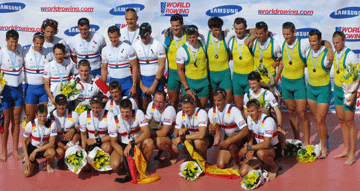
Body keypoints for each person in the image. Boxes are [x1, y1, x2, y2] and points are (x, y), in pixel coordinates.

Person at [273, 22, 311, 145]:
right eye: (284, 34)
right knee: (291, 111)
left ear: (294, 32)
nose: (286, 37)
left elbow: (322, 42)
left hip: (299, 83)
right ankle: (297, 140)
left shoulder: (303, 43)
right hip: (286, 83)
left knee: (302, 113)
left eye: (288, 34)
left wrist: (330, 49)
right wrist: (277, 62)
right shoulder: (280, 40)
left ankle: (307, 142)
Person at [306, 29, 334, 159]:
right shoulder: (307, 51)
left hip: (323, 89)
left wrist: (329, 48)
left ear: (320, 40)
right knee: (317, 119)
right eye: (310, 41)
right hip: (311, 89)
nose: (312, 44)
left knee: (320, 119)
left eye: (314, 41)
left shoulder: (327, 54)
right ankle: (324, 138)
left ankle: (323, 147)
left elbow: (328, 44)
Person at [332, 31, 358, 165]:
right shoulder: (336, 53)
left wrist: (353, 94)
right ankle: (346, 150)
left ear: (344, 41)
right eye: (334, 43)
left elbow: (357, 77)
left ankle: (352, 155)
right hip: (336, 90)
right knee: (342, 120)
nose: (335, 45)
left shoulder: (351, 55)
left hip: (347, 92)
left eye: (338, 42)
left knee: (349, 121)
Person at [239, 99, 281, 179]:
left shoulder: (268, 121)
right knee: (243, 173)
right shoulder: (249, 118)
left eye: (252, 111)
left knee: (261, 153)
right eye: (248, 111)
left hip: (273, 149)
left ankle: (274, 166)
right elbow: (250, 134)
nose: (250, 114)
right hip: (258, 148)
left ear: (259, 109)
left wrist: (248, 147)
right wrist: (250, 150)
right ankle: (266, 162)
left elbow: (266, 144)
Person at [208, 88, 249, 170]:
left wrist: (228, 141)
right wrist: (211, 131)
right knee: (220, 165)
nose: (216, 103)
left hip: (239, 135)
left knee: (231, 144)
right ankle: (238, 149)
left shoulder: (233, 110)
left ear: (225, 99)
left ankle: (236, 163)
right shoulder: (211, 111)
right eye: (215, 100)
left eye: (219, 100)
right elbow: (214, 130)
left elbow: (245, 130)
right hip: (228, 136)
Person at [0, 30, 25, 161]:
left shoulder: (20, 49)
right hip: (5, 91)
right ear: (6, 40)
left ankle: (15, 150)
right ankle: (4, 151)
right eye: (11, 42)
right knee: (5, 122)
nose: (14, 45)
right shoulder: (2, 53)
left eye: (16, 42)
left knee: (16, 122)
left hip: (18, 90)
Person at [108, 98, 153, 171]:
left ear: (131, 110)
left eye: (127, 112)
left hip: (137, 142)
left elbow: (147, 133)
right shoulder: (114, 121)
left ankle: (143, 167)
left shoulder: (138, 113)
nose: (125, 115)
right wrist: (124, 154)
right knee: (114, 165)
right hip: (123, 145)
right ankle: (129, 164)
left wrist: (131, 144)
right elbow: (113, 142)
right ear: (120, 110)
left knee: (149, 142)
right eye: (122, 112)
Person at [132, 23, 166, 111]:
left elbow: (162, 66)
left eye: (145, 34)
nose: (143, 37)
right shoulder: (135, 45)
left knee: (159, 106)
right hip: (142, 79)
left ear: (150, 33)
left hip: (156, 80)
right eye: (141, 35)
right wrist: (141, 85)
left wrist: (154, 85)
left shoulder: (158, 45)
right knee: (143, 108)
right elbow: (134, 68)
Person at [101, 25, 138, 99]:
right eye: (110, 38)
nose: (113, 40)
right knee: (113, 105)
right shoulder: (105, 50)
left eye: (115, 37)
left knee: (133, 102)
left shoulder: (128, 48)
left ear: (119, 35)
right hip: (113, 82)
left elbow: (134, 67)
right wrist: (103, 85)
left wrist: (134, 85)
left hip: (127, 81)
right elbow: (104, 69)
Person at [176, 25, 209, 109]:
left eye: (193, 37)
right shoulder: (182, 50)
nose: (191, 40)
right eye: (189, 37)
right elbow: (180, 70)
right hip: (190, 84)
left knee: (202, 109)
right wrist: (187, 88)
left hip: (203, 83)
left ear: (197, 35)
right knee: (189, 110)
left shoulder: (203, 43)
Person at [22, 105, 57, 176]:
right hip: (32, 148)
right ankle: (34, 162)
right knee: (26, 173)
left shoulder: (52, 124)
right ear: (36, 115)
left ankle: (48, 164)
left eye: (44, 116)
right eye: (40, 116)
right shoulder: (30, 124)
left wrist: (36, 151)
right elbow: (23, 141)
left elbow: (51, 143)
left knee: (52, 152)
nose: (42, 119)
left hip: (44, 148)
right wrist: (26, 158)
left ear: (47, 114)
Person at [228, 17, 254, 115]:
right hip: (237, 78)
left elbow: (265, 31)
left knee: (250, 107)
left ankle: (251, 129)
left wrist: (252, 36)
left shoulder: (251, 39)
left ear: (246, 28)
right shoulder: (230, 41)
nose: (238, 31)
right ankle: (241, 128)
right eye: (236, 29)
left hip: (249, 78)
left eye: (241, 29)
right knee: (238, 106)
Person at [172, 94, 210, 160]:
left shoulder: (201, 113)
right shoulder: (180, 114)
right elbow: (175, 133)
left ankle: (204, 159)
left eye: (188, 108)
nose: (185, 110)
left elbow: (201, 135)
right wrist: (177, 136)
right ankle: (191, 155)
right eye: (183, 107)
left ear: (193, 104)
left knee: (198, 143)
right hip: (190, 139)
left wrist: (182, 138)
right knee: (174, 147)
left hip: (204, 140)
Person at [24, 32, 51, 122]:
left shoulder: (47, 53)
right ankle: (29, 136)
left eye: (41, 43)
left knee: (44, 118)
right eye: (37, 43)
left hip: (44, 89)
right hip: (30, 89)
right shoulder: (26, 53)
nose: (39, 46)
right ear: (33, 41)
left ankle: (43, 136)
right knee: (30, 117)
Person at [145, 89, 177, 163]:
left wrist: (147, 133)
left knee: (158, 141)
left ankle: (174, 152)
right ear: (153, 99)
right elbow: (145, 123)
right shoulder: (151, 105)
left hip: (173, 135)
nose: (157, 104)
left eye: (160, 102)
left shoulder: (169, 110)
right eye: (155, 101)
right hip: (161, 129)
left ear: (165, 101)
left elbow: (163, 133)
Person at [206, 17, 233, 103]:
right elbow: (188, 32)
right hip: (211, 75)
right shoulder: (205, 36)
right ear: (210, 29)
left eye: (220, 29)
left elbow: (244, 30)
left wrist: (252, 37)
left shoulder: (226, 34)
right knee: (213, 105)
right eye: (215, 30)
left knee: (226, 103)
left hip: (224, 75)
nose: (218, 32)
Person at [165, 14, 188, 111]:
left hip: (185, 71)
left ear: (182, 25)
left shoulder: (187, 36)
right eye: (173, 26)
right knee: (173, 102)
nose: (175, 28)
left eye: (177, 25)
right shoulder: (168, 36)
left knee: (186, 101)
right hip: (173, 73)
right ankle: (173, 123)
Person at [49, 94, 80, 166]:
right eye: (59, 105)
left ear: (66, 104)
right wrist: (63, 146)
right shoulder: (50, 116)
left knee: (76, 136)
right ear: (55, 105)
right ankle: (62, 158)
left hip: (71, 140)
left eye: (63, 104)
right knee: (60, 152)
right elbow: (50, 136)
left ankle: (73, 155)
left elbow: (80, 129)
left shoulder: (74, 114)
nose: (61, 107)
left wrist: (74, 130)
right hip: (58, 141)